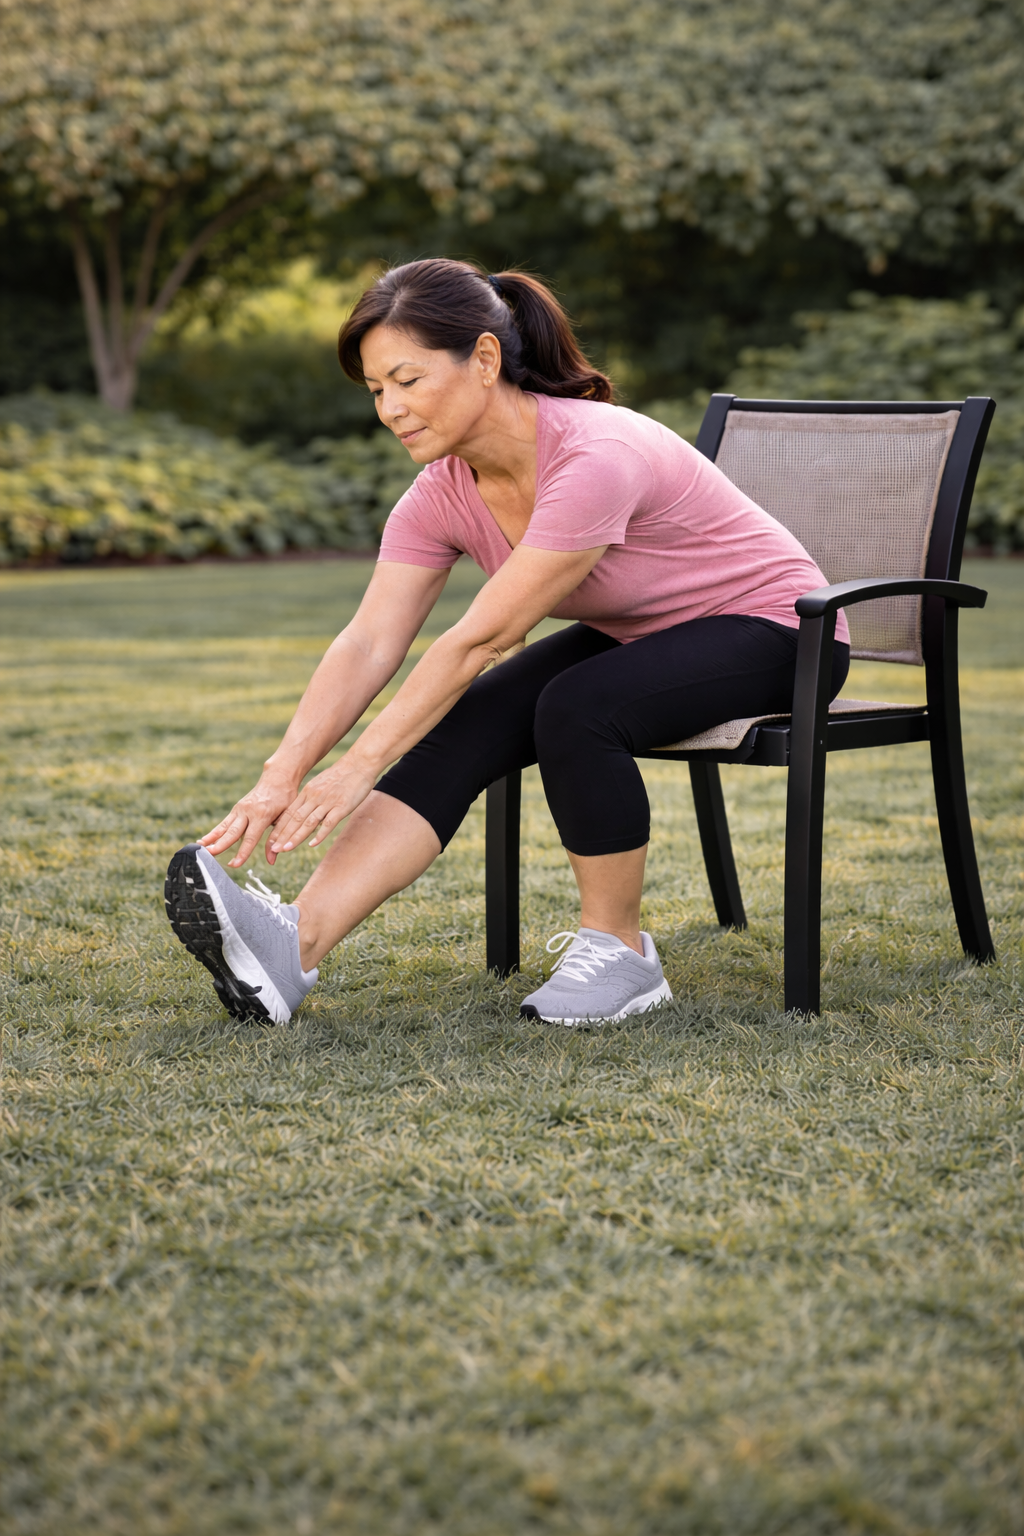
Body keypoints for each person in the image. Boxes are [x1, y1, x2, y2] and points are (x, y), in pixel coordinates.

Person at [164, 258, 850, 1027]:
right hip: (643, 638)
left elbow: (481, 637)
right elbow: (368, 641)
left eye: (407, 380)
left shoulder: (594, 455)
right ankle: (295, 947)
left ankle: (622, 954)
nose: (390, 408)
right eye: (376, 390)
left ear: (485, 359)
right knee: (468, 722)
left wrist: (357, 766)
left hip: (783, 632)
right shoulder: (442, 491)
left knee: (576, 706)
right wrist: (282, 772)